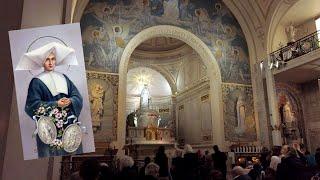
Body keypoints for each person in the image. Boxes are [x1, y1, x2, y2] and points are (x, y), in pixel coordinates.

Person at [23, 42, 83, 157]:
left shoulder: (64, 78)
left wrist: (71, 101)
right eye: (47, 60)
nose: (51, 63)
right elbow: (32, 105)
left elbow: (77, 97)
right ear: (42, 62)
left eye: (53, 59)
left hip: (69, 125)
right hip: (49, 128)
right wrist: (56, 104)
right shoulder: (36, 81)